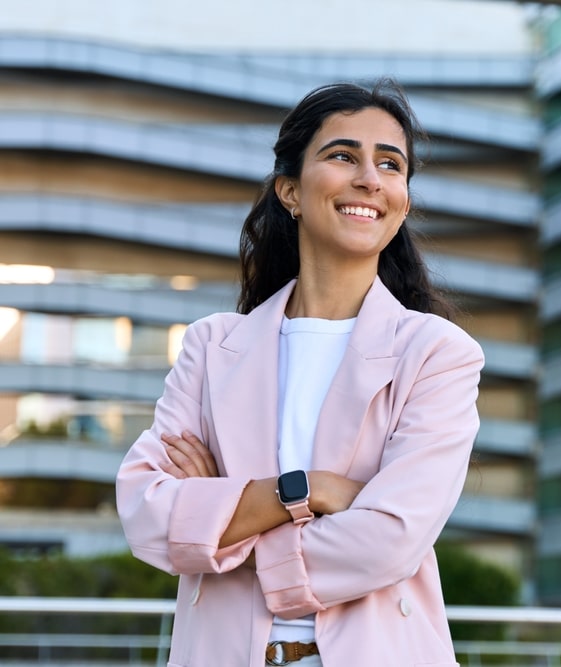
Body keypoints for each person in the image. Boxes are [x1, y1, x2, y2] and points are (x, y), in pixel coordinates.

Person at [116, 80, 484, 666]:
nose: (370, 178)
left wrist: (218, 524)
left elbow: (390, 539)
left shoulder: (437, 353)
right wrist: (308, 490)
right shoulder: (212, 346)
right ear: (290, 190)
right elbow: (147, 513)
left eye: (390, 164)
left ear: (403, 202)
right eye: (343, 155)